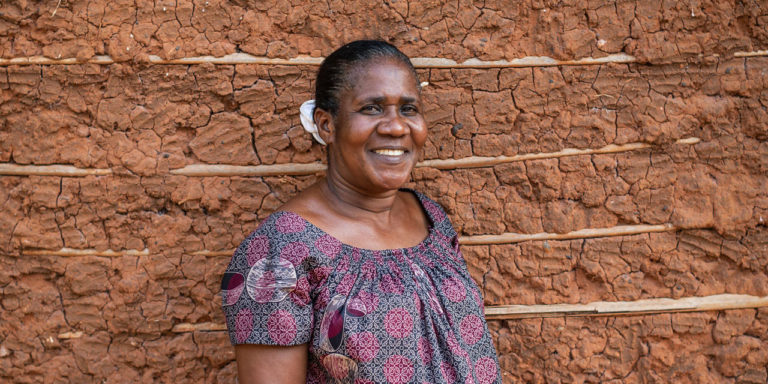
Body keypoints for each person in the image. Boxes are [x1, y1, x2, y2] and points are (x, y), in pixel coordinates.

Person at [220, 40, 501, 384]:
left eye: (409, 109)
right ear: (326, 125)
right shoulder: (279, 252)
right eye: (372, 108)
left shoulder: (431, 219)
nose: (396, 127)